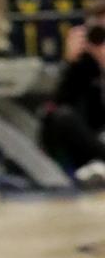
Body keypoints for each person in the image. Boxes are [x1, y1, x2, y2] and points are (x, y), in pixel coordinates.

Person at [39, 22, 105, 182]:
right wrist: (70, 62)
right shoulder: (82, 69)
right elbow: (56, 107)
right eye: (98, 35)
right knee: (61, 116)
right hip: (91, 143)